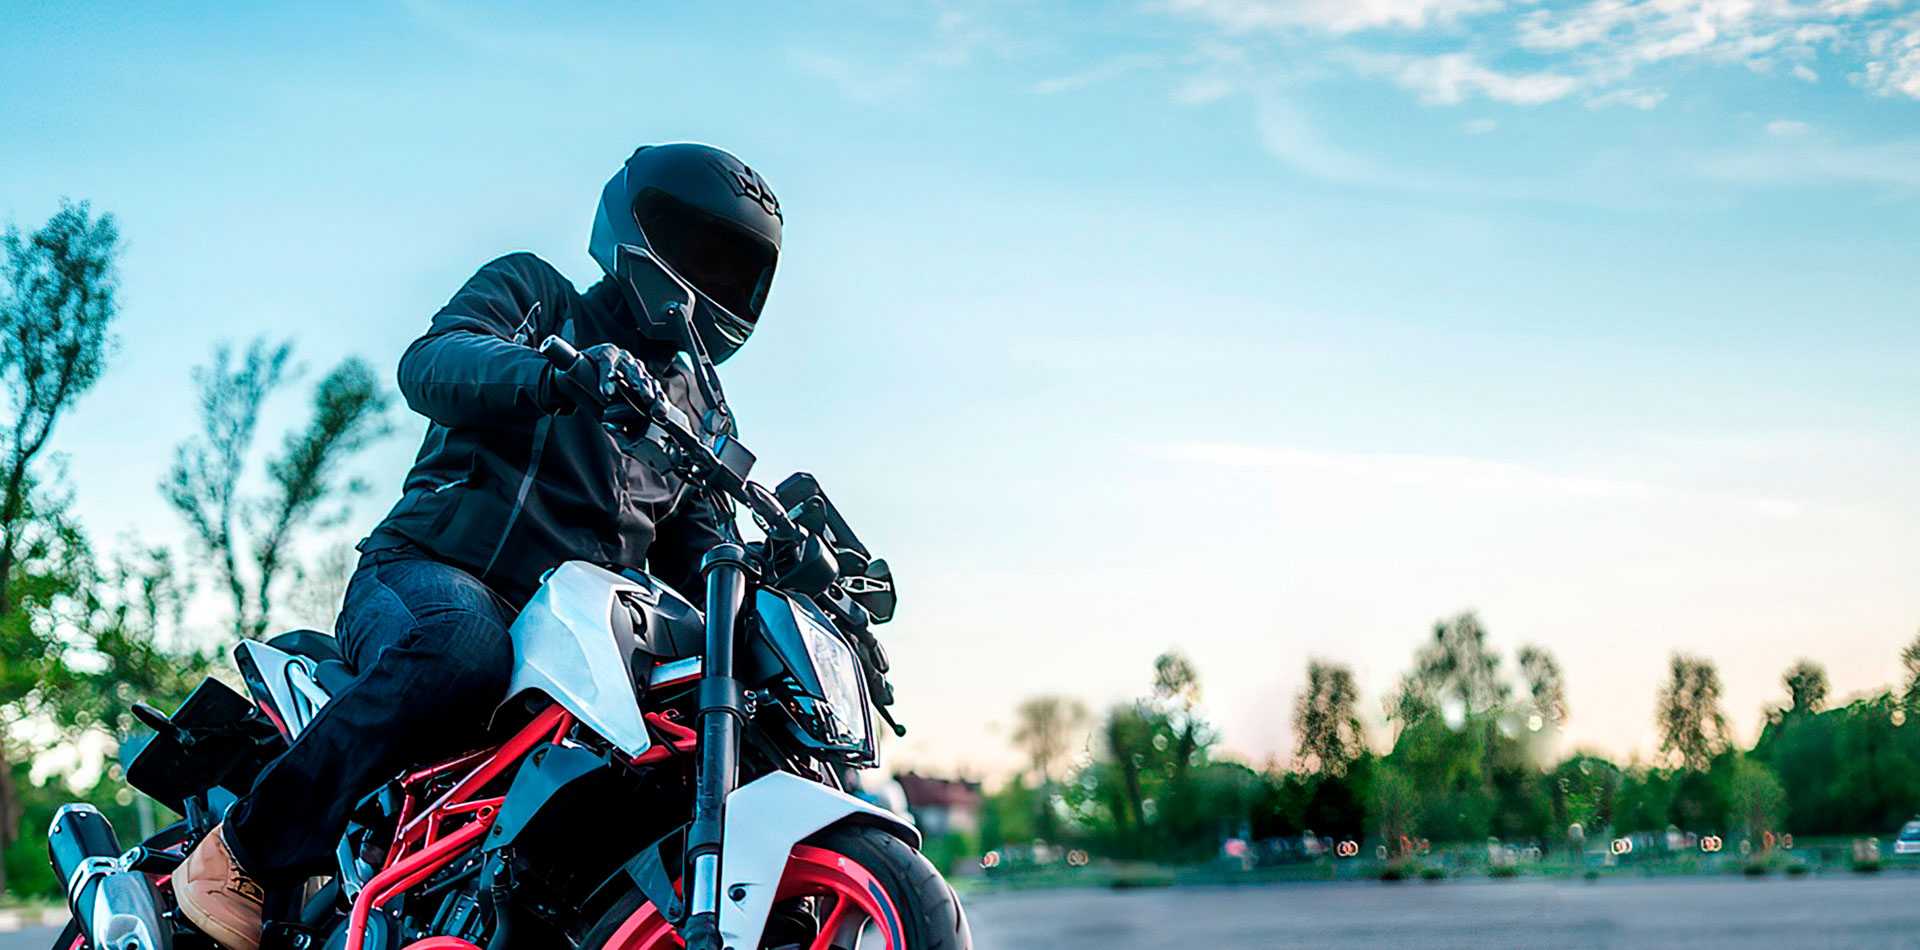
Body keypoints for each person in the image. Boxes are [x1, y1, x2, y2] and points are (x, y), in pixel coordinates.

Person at [171, 143, 784, 950]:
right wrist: (557, 376)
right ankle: (240, 852)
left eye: (734, 269)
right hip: (429, 575)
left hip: (576, 644)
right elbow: (433, 362)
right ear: (639, 230)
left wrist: (782, 576)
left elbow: (702, 551)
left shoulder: (699, 413)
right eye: (698, 251)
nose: (711, 280)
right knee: (464, 646)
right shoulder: (540, 295)